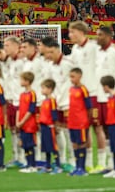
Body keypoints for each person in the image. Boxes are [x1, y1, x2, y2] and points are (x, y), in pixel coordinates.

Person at [68, 21, 101, 172]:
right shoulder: (75, 49)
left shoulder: (94, 46)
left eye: (72, 32)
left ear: (81, 32)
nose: (70, 35)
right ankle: (86, 162)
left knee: (97, 127)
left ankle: (101, 161)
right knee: (83, 128)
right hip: (79, 95)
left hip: (93, 92)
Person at [95, 26, 115, 172]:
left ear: (108, 36)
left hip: (113, 98)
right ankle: (109, 163)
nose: (97, 37)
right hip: (101, 97)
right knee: (105, 130)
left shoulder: (114, 52)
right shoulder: (98, 52)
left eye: (100, 35)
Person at [44, 41, 75, 172]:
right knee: (58, 131)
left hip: (68, 103)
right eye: (48, 52)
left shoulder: (68, 64)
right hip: (55, 103)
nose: (49, 55)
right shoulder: (50, 66)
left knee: (69, 133)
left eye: (51, 52)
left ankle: (73, 161)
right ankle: (62, 160)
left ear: (58, 50)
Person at [21, 38, 45, 164]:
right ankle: (33, 158)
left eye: (25, 47)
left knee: (42, 130)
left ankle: (41, 159)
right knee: (31, 130)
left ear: (33, 47)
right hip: (30, 101)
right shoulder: (25, 63)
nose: (22, 49)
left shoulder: (40, 62)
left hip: (40, 101)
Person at [3, 36, 25, 167]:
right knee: (12, 129)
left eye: (7, 45)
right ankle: (16, 156)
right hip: (10, 100)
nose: (5, 48)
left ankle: (24, 157)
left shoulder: (23, 62)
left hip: (21, 100)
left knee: (21, 129)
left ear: (16, 46)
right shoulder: (8, 62)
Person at [68, 68, 92, 176]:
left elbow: (89, 106)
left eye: (73, 76)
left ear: (79, 76)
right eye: (70, 76)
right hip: (72, 121)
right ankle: (77, 167)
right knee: (74, 144)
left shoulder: (83, 89)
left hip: (81, 121)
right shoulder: (71, 89)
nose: (71, 79)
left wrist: (88, 120)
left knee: (82, 143)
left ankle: (82, 168)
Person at [100, 75, 115, 178]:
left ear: (106, 86)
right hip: (111, 125)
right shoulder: (110, 98)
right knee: (113, 147)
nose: (102, 89)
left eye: (103, 86)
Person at [39, 78, 62, 174]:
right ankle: (48, 166)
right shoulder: (44, 101)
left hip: (49, 126)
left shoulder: (52, 101)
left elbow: (54, 114)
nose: (42, 90)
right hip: (43, 126)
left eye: (43, 88)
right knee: (46, 147)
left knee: (53, 147)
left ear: (50, 89)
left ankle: (57, 166)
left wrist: (55, 126)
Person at [17, 71, 38, 173]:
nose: (20, 81)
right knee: (25, 145)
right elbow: (19, 109)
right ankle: (28, 164)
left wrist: (22, 121)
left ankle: (32, 165)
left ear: (27, 81)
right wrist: (18, 121)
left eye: (22, 80)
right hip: (22, 124)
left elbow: (31, 109)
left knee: (30, 145)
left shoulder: (32, 94)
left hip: (29, 124)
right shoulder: (22, 94)